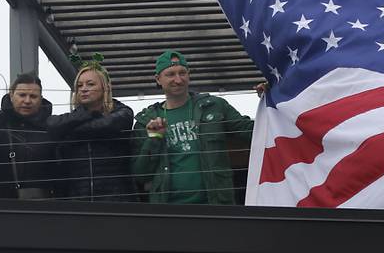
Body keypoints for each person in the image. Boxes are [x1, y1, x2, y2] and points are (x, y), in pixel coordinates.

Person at [132, 50, 254, 204]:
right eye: (170, 74)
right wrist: (154, 139)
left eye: (182, 73)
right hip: (169, 212)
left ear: (189, 75)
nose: (178, 79)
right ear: (158, 79)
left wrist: (270, 99)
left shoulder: (214, 106)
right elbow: (140, 174)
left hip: (216, 206)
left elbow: (251, 132)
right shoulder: (146, 120)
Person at [47, 60, 135, 202]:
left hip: (116, 199)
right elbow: (51, 125)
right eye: (79, 85)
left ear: (104, 87)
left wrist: (71, 129)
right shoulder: (73, 118)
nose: (84, 89)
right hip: (79, 200)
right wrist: (84, 116)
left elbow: (107, 125)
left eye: (90, 84)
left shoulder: (123, 112)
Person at [0, 72, 55, 199]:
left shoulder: (52, 127)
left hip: (42, 207)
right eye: (22, 95)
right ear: (11, 95)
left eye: (33, 96)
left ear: (41, 99)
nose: (27, 100)